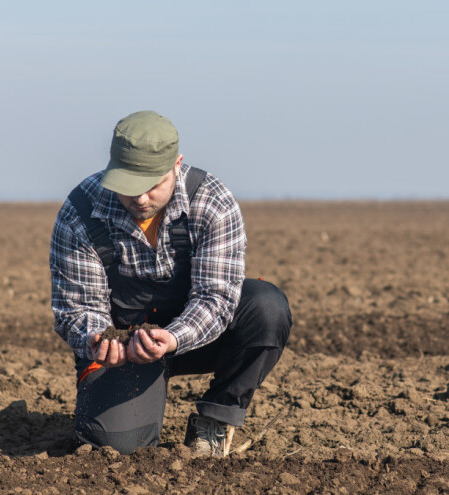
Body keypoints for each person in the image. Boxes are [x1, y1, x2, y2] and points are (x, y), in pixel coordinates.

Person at [49, 110, 291, 456]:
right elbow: (76, 309)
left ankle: (216, 418)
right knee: (117, 450)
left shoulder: (212, 202)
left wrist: (174, 337)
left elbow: (216, 298)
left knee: (266, 307)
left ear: (177, 164)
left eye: (153, 185)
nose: (141, 199)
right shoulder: (80, 213)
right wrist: (98, 339)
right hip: (124, 352)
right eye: (129, 186)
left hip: (193, 337)